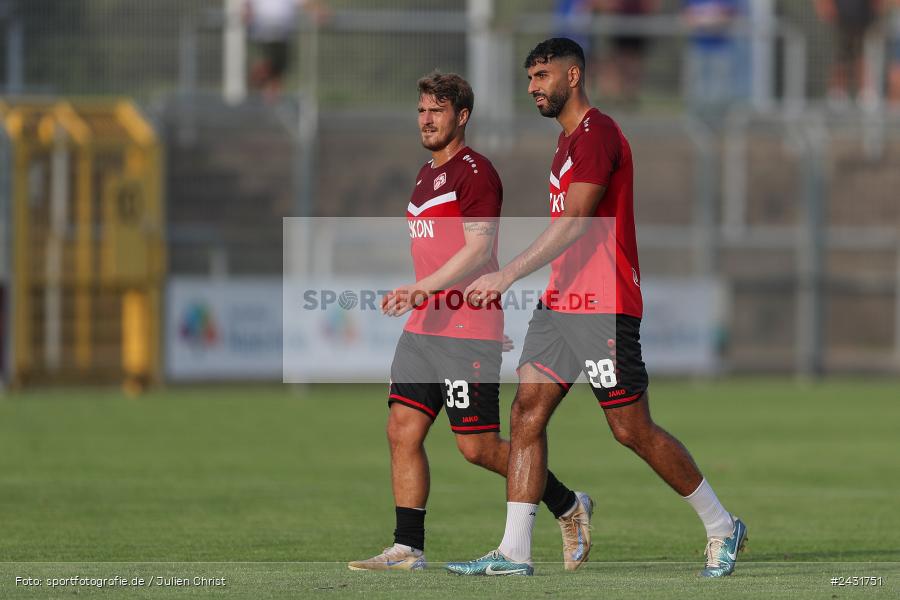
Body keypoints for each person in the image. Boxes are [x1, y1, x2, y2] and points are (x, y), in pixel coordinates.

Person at [445, 38, 746, 578]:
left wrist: (507, 273)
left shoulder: (598, 134)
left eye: (542, 75)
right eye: (530, 77)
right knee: (525, 414)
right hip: (560, 304)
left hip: (603, 304)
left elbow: (578, 220)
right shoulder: (564, 145)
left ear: (574, 75)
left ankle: (723, 526)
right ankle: (514, 551)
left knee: (631, 429)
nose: (533, 86)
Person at [347, 72, 592, 572]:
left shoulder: (476, 172)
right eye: (421, 110)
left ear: (462, 117)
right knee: (401, 430)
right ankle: (407, 548)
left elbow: (479, 247)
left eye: (437, 110)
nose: (426, 119)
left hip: (464, 329)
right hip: (422, 330)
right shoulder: (423, 174)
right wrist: (423, 297)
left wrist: (429, 292)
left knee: (477, 448)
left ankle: (568, 504)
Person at [243, 0, 328, 102]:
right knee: (262, 69)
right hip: (261, 37)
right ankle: (253, 98)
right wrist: (247, 12)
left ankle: (271, 104)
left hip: (282, 38)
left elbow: (305, 3)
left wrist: (318, 10)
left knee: (277, 75)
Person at [682, 0, 749, 111]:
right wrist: (710, 19)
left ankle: (718, 121)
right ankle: (698, 122)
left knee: (720, 90)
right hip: (698, 48)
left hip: (722, 49)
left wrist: (705, 20)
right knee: (697, 89)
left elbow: (731, 16)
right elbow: (687, 17)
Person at [815, 0, 884, 108]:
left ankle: (866, 92)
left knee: (862, 52)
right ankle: (837, 93)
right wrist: (824, 5)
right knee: (843, 54)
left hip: (864, 14)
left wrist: (878, 7)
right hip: (843, 14)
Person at [596, 0, 660, 105]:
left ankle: (629, 96)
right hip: (618, 24)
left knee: (633, 62)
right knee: (615, 61)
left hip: (638, 25)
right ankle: (611, 96)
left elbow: (651, 6)